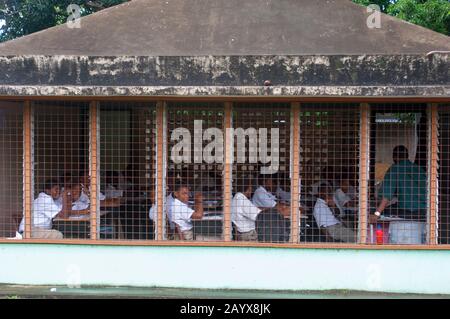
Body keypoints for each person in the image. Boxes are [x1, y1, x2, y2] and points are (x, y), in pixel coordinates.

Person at [370, 145, 427, 243]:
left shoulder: (394, 169)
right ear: (407, 156)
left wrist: (376, 213)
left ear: (394, 157)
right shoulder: (419, 169)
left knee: (381, 212)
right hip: (423, 213)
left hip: (406, 213)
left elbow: (387, 196)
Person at [253, 175, 291, 242]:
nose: (272, 184)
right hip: (263, 221)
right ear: (264, 182)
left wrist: (284, 205)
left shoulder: (266, 192)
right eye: (270, 182)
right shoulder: (260, 193)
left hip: (270, 219)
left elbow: (277, 201)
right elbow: (276, 206)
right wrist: (284, 206)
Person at [231, 177, 262, 241]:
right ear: (248, 188)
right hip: (247, 234)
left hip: (241, 232)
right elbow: (258, 216)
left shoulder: (237, 197)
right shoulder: (242, 200)